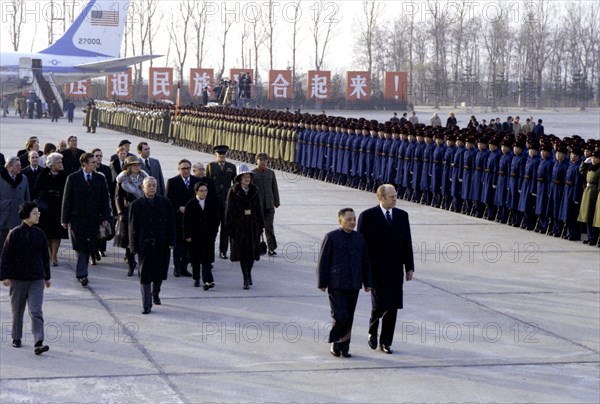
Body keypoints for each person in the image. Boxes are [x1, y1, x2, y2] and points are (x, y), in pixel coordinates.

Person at [357, 184, 414, 354]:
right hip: (376, 269)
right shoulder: (367, 216)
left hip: (395, 269)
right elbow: (361, 246)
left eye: (396, 196)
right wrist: (363, 271)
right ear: (381, 198)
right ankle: (372, 332)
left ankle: (386, 341)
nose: (395, 199)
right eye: (392, 197)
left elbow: (407, 243)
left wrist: (409, 267)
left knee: (393, 305)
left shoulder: (402, 216)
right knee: (379, 304)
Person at [317, 208, 372, 358]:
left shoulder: (359, 238)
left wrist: (368, 282)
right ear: (340, 221)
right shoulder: (331, 237)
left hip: (354, 283)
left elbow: (365, 261)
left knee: (349, 316)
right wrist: (322, 282)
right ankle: (335, 340)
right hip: (337, 283)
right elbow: (323, 261)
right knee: (340, 315)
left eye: (354, 219)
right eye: (349, 219)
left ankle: (345, 345)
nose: (352, 222)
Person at [0, 202, 51, 355]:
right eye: (35, 213)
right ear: (26, 215)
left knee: (36, 310)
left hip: (36, 279)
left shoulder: (40, 234)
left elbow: (45, 258)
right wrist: (4, 276)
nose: (38, 215)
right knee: (17, 310)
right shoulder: (14, 233)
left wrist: (47, 277)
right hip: (18, 279)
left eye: (38, 213)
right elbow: (6, 256)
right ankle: (16, 337)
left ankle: (38, 341)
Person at [61, 153, 112, 287]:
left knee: (89, 245)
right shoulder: (73, 178)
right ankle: (82, 274)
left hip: (93, 219)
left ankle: (83, 270)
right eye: (93, 162)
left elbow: (104, 199)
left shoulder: (100, 178)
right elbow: (67, 200)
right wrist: (64, 220)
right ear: (84, 164)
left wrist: (106, 217)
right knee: (80, 246)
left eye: (96, 162)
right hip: (77, 219)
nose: (96, 164)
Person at [128, 177, 176, 314]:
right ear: (143, 187)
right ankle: (146, 304)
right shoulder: (136, 205)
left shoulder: (165, 203)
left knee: (159, 274)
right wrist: (133, 246)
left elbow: (172, 224)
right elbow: (132, 227)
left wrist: (172, 242)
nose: (152, 188)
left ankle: (156, 293)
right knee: (145, 275)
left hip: (162, 245)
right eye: (149, 185)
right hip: (145, 245)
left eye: (154, 185)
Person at [226, 164, 264, 290]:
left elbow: (259, 209)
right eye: (245, 177)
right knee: (243, 252)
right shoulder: (233, 191)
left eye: (248, 177)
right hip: (239, 225)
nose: (247, 179)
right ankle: (245, 277)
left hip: (253, 225)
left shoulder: (255, 190)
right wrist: (229, 226)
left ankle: (249, 272)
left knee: (252, 252)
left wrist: (261, 224)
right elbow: (229, 210)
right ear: (240, 179)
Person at [31, 153, 68, 266]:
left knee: (57, 234)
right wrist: (48, 192)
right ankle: (48, 253)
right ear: (52, 164)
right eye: (58, 162)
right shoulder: (44, 174)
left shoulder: (63, 175)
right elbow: (36, 190)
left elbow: (67, 190)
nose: (61, 164)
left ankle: (54, 256)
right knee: (46, 233)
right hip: (46, 209)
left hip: (58, 208)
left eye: (61, 162)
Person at [114, 156, 148, 276]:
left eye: (138, 165)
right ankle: (130, 262)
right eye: (133, 165)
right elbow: (118, 197)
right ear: (128, 167)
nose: (136, 167)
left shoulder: (145, 178)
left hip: (143, 210)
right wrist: (120, 212)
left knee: (142, 237)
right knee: (129, 239)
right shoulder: (123, 179)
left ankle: (141, 263)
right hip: (129, 210)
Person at [184, 182, 220, 289]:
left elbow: (216, 219)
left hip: (208, 236)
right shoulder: (191, 204)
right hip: (195, 237)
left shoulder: (211, 203)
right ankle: (196, 278)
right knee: (195, 260)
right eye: (201, 191)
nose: (204, 193)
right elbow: (186, 221)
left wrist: (214, 232)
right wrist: (187, 235)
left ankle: (208, 281)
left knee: (207, 260)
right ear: (196, 192)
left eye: (205, 191)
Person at [166, 159, 198, 277]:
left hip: (192, 218)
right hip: (178, 217)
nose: (186, 170)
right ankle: (177, 267)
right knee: (178, 245)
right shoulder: (173, 181)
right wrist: (179, 207)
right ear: (179, 169)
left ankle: (184, 267)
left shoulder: (196, 181)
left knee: (189, 246)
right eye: (183, 168)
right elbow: (168, 198)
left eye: (188, 168)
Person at [206, 145, 237, 259]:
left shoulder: (231, 167)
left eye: (223, 155)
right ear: (216, 155)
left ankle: (223, 251)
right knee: (213, 228)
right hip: (214, 202)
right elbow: (206, 182)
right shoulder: (210, 166)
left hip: (227, 202)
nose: (222, 157)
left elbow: (235, 183)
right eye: (219, 155)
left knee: (225, 228)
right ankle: (210, 250)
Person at [251, 153, 280, 256]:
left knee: (269, 227)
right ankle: (256, 247)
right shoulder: (252, 173)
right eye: (261, 160)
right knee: (257, 228)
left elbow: (274, 188)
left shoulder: (271, 173)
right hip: (258, 206)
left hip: (269, 205)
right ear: (257, 161)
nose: (263, 162)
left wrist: (276, 202)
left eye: (265, 160)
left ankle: (271, 248)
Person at [1, 157, 30, 254]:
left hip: (18, 214)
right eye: (17, 165)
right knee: (2, 239)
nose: (20, 167)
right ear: (9, 167)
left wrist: (27, 212)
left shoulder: (23, 178)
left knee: (18, 238)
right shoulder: (1, 178)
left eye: (20, 165)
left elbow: (27, 197)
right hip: (4, 213)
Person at [577, 150, 600, 245]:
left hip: (594, 192)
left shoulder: (599, 169)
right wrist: (585, 162)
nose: (593, 160)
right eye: (592, 158)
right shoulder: (591, 167)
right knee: (587, 216)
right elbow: (581, 171)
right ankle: (589, 237)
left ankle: (594, 237)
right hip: (587, 191)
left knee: (593, 216)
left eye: (595, 158)